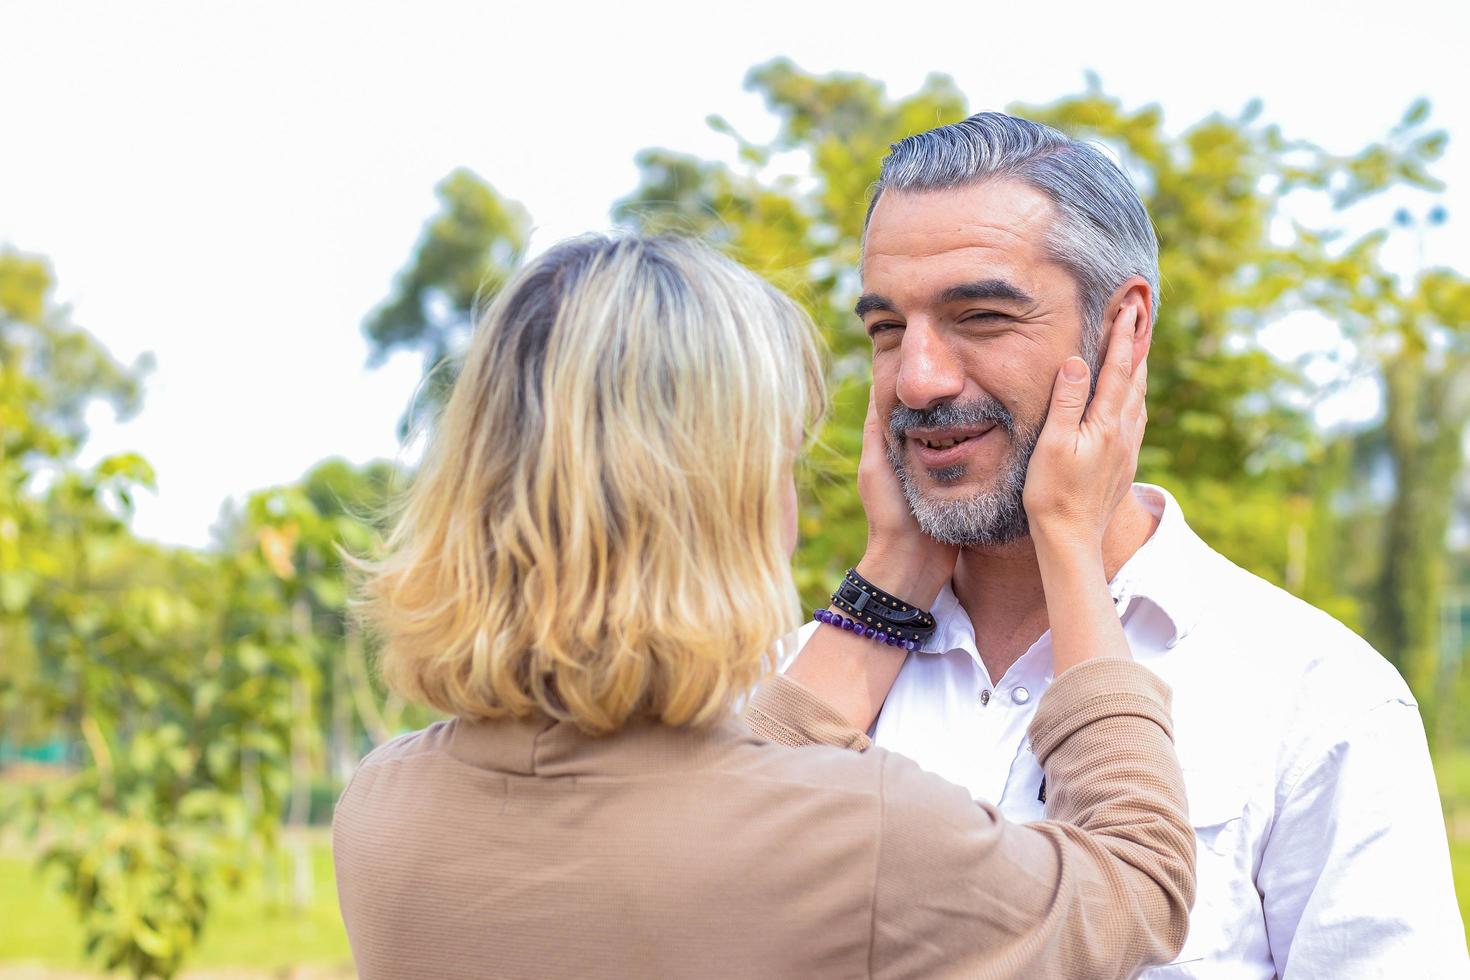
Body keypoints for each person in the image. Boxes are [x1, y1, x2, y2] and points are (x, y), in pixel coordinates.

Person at [332, 232, 1193, 979]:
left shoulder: (384, 809)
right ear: (719, 503)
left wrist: (896, 570)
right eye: (777, 461)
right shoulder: (864, 833)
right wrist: (1069, 538)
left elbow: (693, 831)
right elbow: (1136, 885)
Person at [785, 112, 1469, 978]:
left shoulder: (1320, 702)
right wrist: (886, 579)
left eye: (982, 316)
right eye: (887, 329)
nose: (918, 378)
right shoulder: (802, 678)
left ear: (1124, 331)